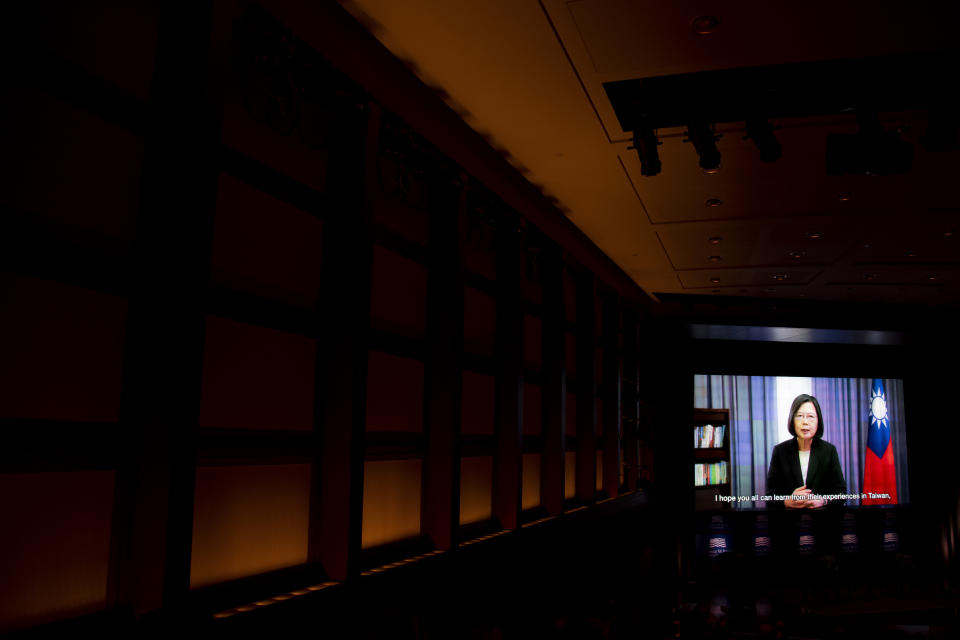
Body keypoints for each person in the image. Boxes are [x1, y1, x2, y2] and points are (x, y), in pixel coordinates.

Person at [766, 394, 846, 509]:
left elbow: (842, 494)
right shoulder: (780, 451)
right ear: (792, 420)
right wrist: (787, 502)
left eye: (810, 416)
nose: (805, 422)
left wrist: (823, 501)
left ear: (818, 421)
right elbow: (769, 497)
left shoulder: (829, 451)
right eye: (799, 416)